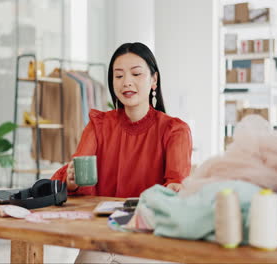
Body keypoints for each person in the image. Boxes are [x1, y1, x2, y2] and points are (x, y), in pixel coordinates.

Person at [51, 42, 192, 263]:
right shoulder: (98, 125)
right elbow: (77, 171)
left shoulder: (175, 130)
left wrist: (176, 189)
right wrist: (71, 181)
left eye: (136, 73)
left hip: (150, 238)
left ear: (154, 80)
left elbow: (175, 185)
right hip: (102, 235)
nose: (126, 82)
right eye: (118, 76)